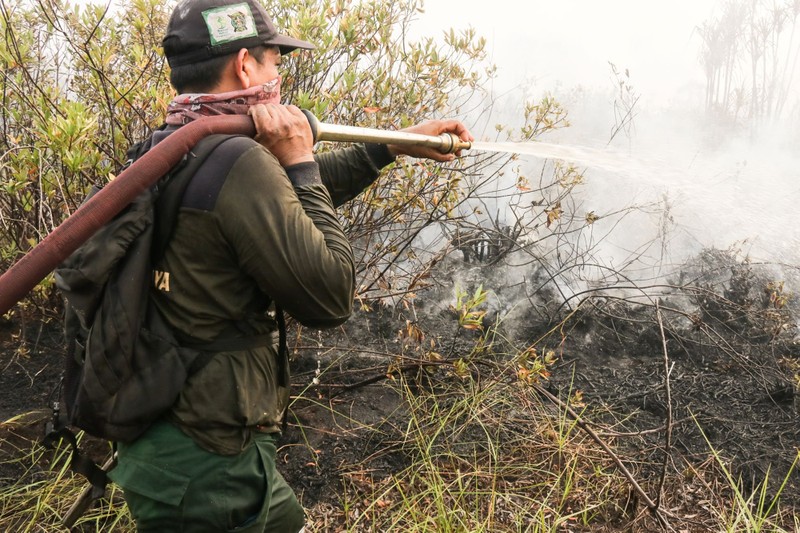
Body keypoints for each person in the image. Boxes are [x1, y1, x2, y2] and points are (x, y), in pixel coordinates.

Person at [107, 0, 473, 531]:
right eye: (276, 60)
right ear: (245, 65)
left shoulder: (175, 144)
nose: (279, 74)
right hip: (207, 462)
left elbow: (270, 205)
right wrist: (298, 161)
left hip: (163, 428)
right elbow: (330, 297)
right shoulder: (237, 159)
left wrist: (388, 147)